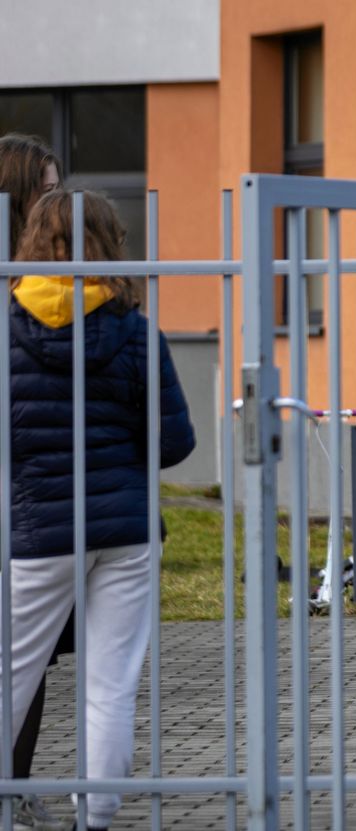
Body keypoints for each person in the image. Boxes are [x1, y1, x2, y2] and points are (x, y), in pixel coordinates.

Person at [3, 189, 196, 829]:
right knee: (110, 685)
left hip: (40, 531)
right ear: (108, 247)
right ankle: (98, 818)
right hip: (126, 530)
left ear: (32, 244)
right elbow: (174, 445)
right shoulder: (136, 332)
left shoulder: (8, 334)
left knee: (13, 676)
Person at [0, 132, 70, 831]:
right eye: (46, 188)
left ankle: (14, 785)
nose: (56, 202)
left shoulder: (42, 282)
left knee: (32, 651)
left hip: (33, 491)